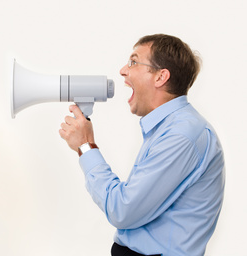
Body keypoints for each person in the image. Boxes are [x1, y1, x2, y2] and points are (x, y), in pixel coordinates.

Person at [59, 34, 225, 256]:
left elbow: (123, 210)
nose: (122, 70)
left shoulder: (182, 135)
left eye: (134, 62)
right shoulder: (171, 128)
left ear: (160, 77)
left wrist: (86, 146)